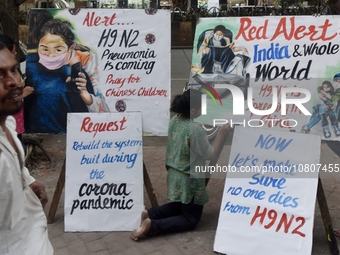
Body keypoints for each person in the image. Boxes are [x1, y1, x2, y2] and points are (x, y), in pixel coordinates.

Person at [130, 89, 231, 241]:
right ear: (192, 110)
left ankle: (151, 214)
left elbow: (194, 145)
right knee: (191, 219)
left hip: (174, 175)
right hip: (189, 181)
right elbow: (211, 154)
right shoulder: (195, 129)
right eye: (202, 108)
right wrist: (222, 133)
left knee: (180, 206)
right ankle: (152, 225)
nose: (204, 110)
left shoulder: (175, 120)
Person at [0, 42, 53, 254]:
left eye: (13, 70)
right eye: (0, 75)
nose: (13, 81)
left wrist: (27, 181)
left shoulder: (8, 124)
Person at [25, 18, 110, 133]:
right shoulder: (28, 69)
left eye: (58, 50)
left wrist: (85, 95)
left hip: (68, 136)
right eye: (45, 49)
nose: (50, 55)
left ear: (70, 49)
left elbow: (101, 114)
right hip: (34, 136)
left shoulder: (81, 70)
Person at [0, 34, 34, 142]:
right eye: (13, 51)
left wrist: (19, 87)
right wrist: (22, 94)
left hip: (16, 124)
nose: (15, 54)